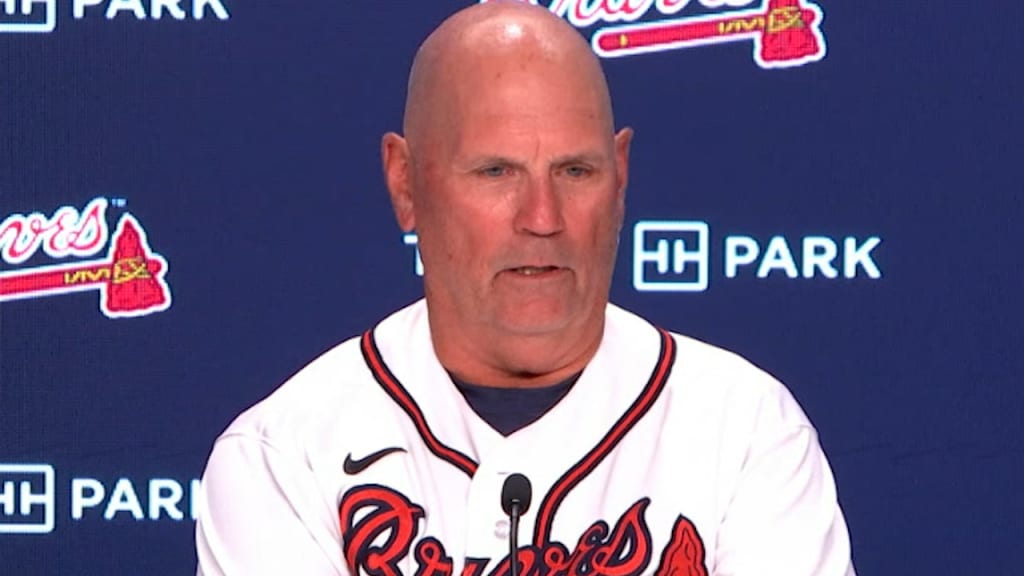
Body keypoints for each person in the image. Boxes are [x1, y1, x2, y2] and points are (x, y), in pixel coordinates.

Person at [195, 2, 856, 575]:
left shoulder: (745, 431)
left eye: (575, 170)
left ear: (620, 176)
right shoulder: (285, 456)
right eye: (494, 172)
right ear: (405, 182)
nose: (542, 218)